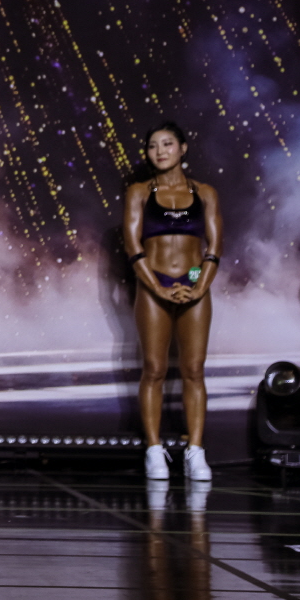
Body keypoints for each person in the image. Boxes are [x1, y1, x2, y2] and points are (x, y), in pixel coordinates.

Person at [122, 120, 222, 482]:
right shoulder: (138, 192)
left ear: (182, 148)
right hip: (154, 287)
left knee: (194, 370)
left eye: (166, 144)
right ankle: (154, 451)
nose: (159, 151)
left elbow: (214, 248)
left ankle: (195, 451)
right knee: (155, 369)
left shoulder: (205, 193)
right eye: (152, 146)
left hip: (194, 286)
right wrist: (160, 289)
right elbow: (133, 247)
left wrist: (196, 286)